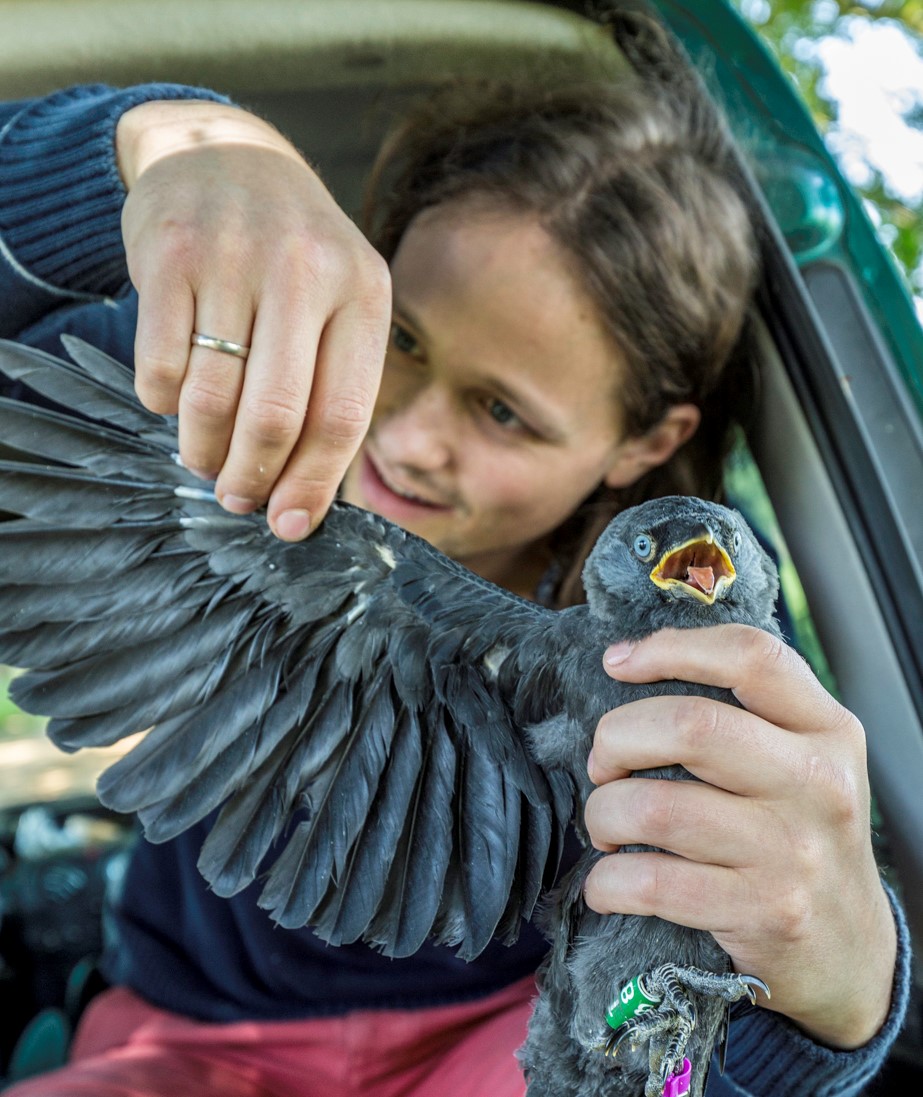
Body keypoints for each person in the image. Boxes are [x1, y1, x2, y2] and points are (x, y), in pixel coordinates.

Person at [0, 17, 909, 1097]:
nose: (410, 436)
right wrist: (164, 147)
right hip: (188, 1031)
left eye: (502, 411)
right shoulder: (211, 428)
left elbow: (689, 1024)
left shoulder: (691, 607)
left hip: (513, 1032)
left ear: (644, 443)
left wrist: (839, 994)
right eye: (403, 338)